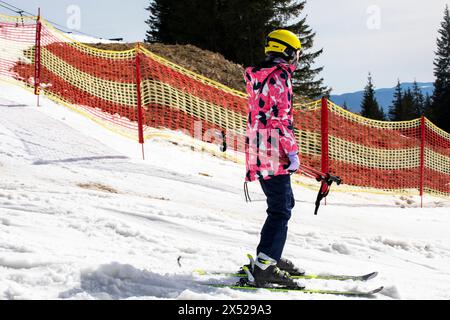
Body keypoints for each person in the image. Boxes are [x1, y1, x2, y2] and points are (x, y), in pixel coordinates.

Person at [243, 29, 304, 288]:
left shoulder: (260, 75)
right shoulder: (280, 77)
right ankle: (265, 266)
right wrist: (291, 151)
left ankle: (269, 257)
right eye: (296, 53)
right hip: (273, 147)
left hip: (259, 144)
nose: (297, 59)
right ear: (287, 50)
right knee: (281, 208)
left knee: (283, 202)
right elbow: (279, 119)